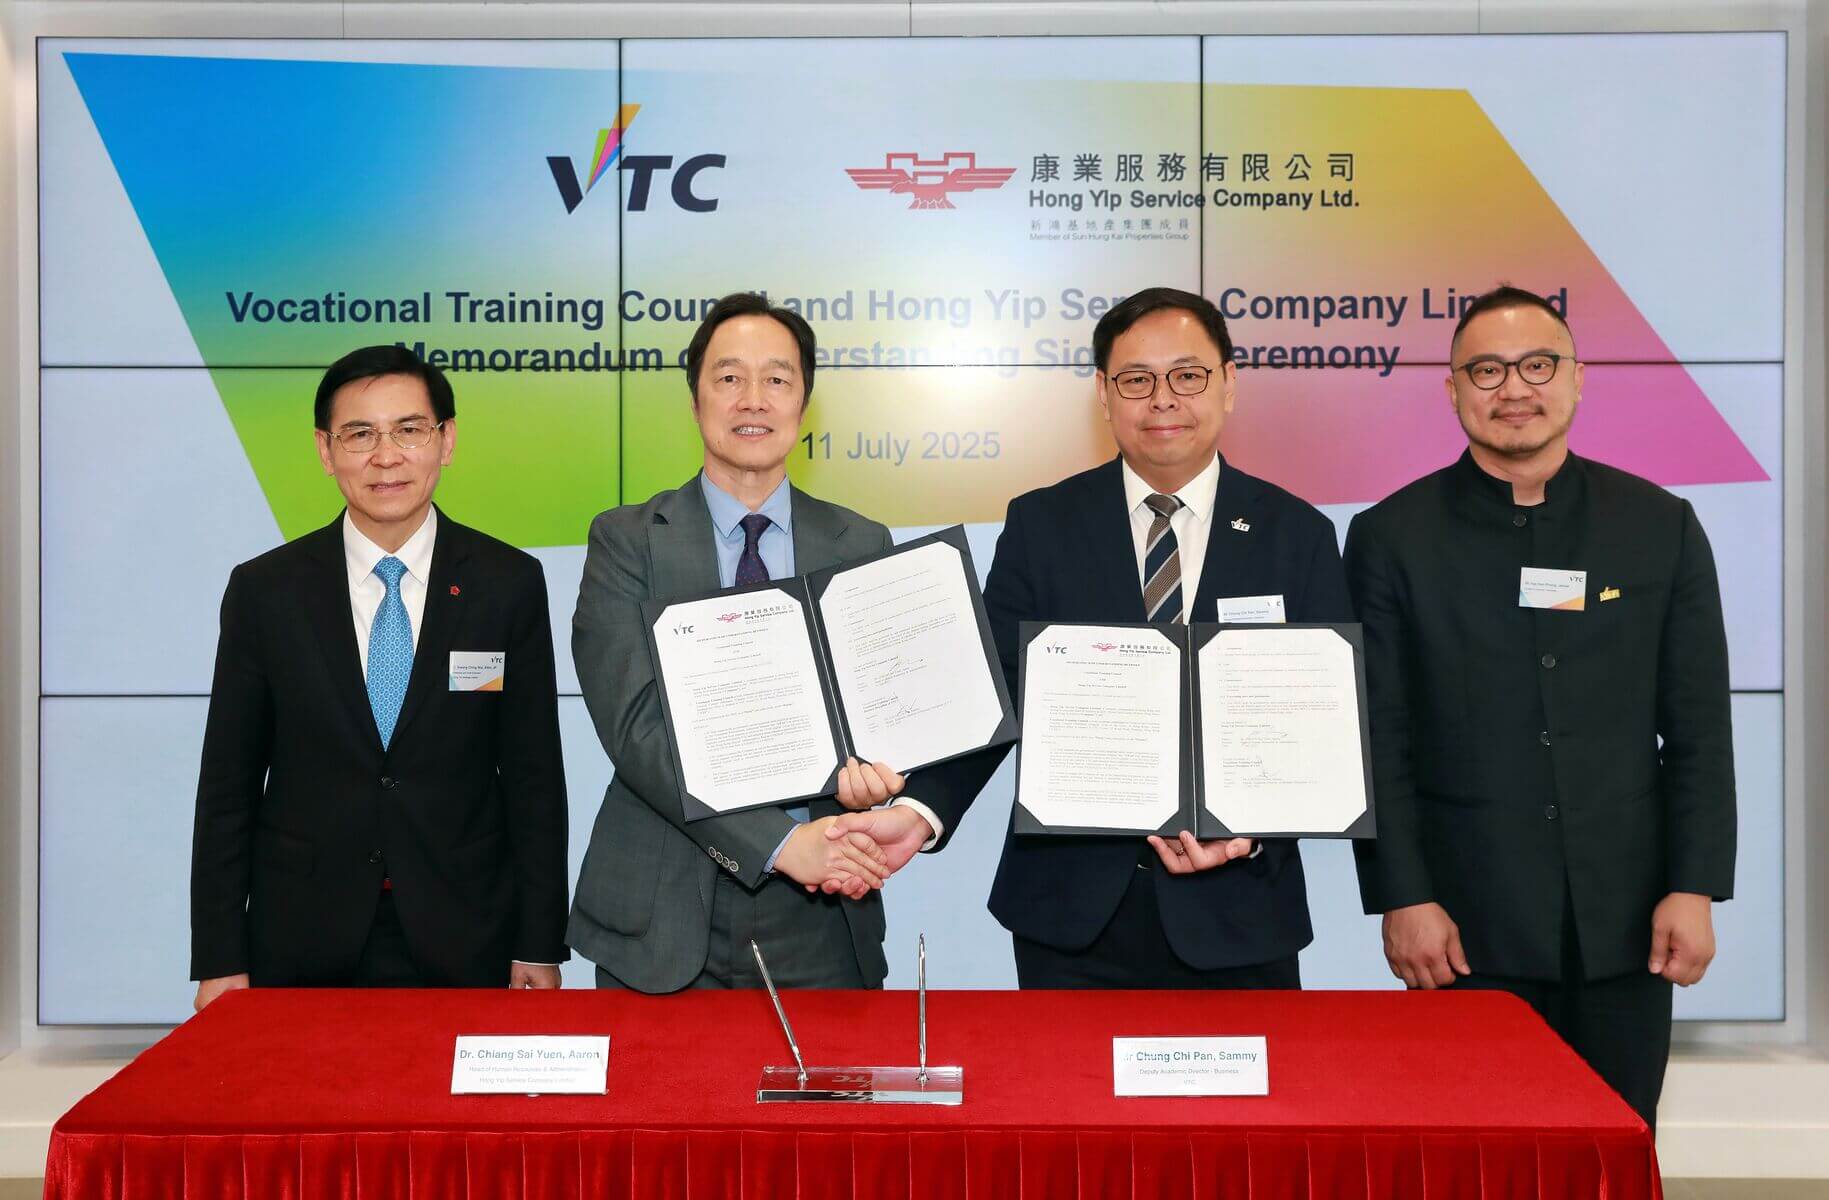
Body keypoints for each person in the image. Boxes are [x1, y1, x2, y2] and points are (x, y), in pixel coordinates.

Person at [878, 286, 1353, 988]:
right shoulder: (1043, 525)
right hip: (1069, 915)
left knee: (1241, 1104)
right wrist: (920, 811)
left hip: (1239, 914)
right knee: (1064, 1099)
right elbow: (993, 692)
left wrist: (1247, 829)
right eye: (1135, 380)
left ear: (1228, 384)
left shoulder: (1297, 535)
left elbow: (1326, 725)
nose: (1161, 399)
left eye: (1187, 376)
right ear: (1103, 394)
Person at [1345, 285, 1735, 1127]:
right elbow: (1379, 738)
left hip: (1628, 918)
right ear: (1451, 389)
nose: (1512, 388)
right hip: (1460, 923)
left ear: (1576, 378)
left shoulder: (1658, 525)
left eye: (1535, 364)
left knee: (1612, 1152)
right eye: (1485, 369)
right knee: (1466, 1164)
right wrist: (1400, 897)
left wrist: (1693, 886)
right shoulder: (1389, 537)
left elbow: (1699, 725)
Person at [568, 292, 942, 993]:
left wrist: (880, 773)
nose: (753, 399)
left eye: (777, 379)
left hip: (824, 909)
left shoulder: (860, 543)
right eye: (728, 376)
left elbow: (882, 709)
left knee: (825, 1104)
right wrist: (776, 843)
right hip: (662, 909)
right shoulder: (624, 541)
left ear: (804, 405)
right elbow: (634, 729)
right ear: (694, 399)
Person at [190, 345, 569, 1008]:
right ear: (324, 449)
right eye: (359, 434)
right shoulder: (265, 592)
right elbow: (228, 789)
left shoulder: (506, 584)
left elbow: (534, 778)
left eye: (409, 430)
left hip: (467, 931)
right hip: (301, 935)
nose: (386, 456)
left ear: (445, 440)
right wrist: (221, 956)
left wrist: (537, 941)